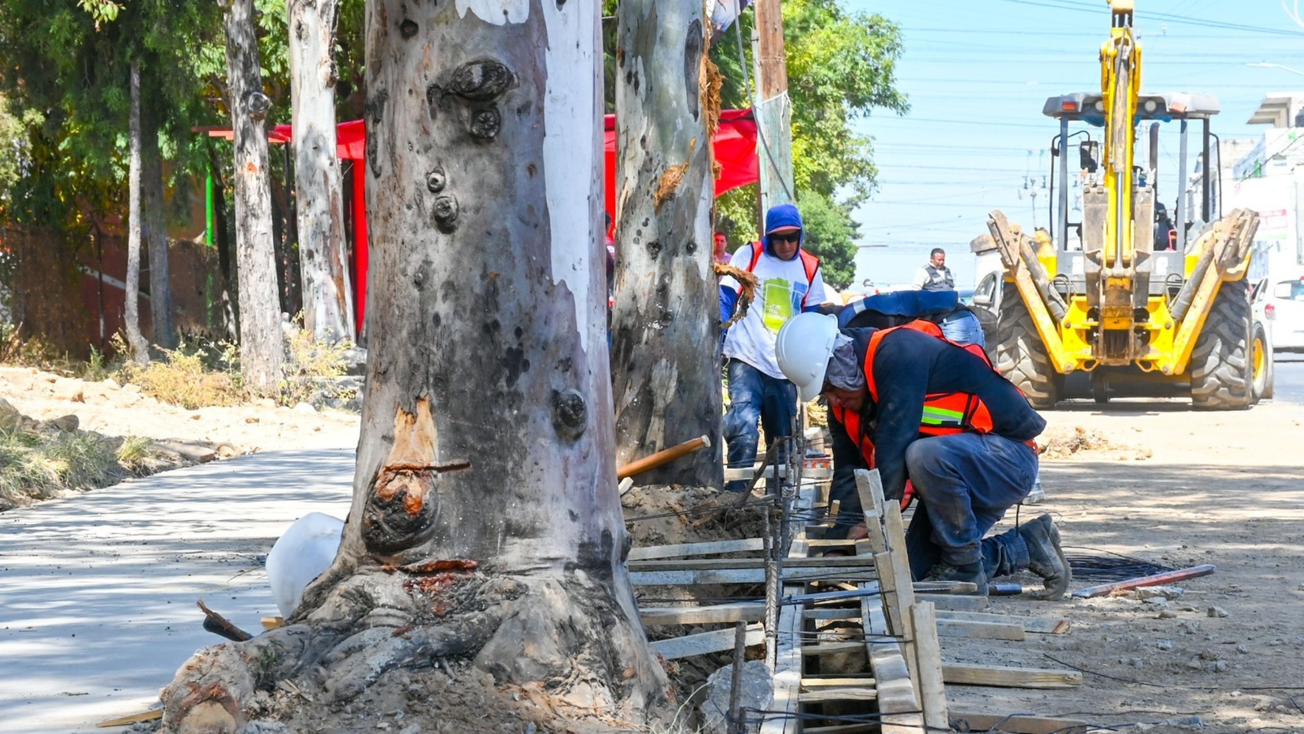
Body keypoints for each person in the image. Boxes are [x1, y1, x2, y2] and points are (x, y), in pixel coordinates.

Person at [773, 312, 1071, 598]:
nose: (833, 399)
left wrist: (873, 524)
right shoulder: (845, 404)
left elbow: (894, 446)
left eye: (831, 387)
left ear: (843, 363)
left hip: (1007, 461)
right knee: (919, 573)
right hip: (957, 479)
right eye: (824, 393)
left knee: (921, 454)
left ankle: (966, 566)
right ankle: (1027, 545)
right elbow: (848, 471)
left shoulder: (899, 353)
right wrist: (837, 544)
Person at [719, 203, 827, 493]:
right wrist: (717, 337)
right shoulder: (750, 255)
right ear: (768, 237)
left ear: (800, 235)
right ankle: (735, 497)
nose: (786, 244)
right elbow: (726, 295)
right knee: (742, 427)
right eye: (779, 238)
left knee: (782, 439)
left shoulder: (810, 267)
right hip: (747, 357)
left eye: (792, 237)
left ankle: (777, 504)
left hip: (785, 365)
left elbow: (812, 317)